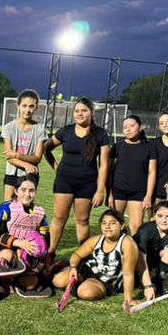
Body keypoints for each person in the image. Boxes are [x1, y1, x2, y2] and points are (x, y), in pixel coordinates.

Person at [43, 97, 110, 255]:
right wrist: (57, 168)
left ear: (91, 113)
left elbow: (104, 165)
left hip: (87, 184)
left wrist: (100, 190)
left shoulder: (100, 134)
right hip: (64, 182)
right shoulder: (66, 131)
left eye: (84, 111)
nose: (80, 114)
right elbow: (46, 148)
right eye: (77, 111)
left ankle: (83, 255)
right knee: (59, 218)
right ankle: (49, 254)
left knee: (82, 220)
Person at [52, 210, 137, 304]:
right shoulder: (96, 240)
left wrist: (128, 299)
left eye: (112, 223)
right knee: (58, 281)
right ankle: (70, 273)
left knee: (86, 293)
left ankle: (80, 285)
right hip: (88, 271)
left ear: (121, 226)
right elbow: (77, 254)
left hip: (107, 282)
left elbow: (128, 274)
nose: (107, 226)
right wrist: (73, 267)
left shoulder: (127, 243)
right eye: (104, 223)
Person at [0, 174, 51, 296]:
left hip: (29, 254)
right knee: (6, 256)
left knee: (30, 285)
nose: (27, 194)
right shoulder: (6, 207)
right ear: (16, 191)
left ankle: (18, 278)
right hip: (9, 248)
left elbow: (44, 239)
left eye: (31, 191)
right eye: (23, 190)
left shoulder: (40, 212)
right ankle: (3, 278)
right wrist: (19, 243)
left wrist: (42, 261)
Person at [107, 114, 156, 237]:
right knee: (115, 226)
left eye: (132, 126)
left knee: (136, 228)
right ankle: (117, 253)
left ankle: (136, 254)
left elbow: (152, 172)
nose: (128, 129)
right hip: (118, 191)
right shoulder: (117, 147)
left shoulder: (150, 148)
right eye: (125, 127)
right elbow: (109, 172)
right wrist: (109, 194)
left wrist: (148, 196)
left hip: (139, 193)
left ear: (140, 128)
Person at [1, 90, 47, 201]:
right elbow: (8, 156)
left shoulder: (40, 129)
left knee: (26, 207)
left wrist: (16, 154)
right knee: (8, 207)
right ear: (18, 106)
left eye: (31, 106)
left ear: (36, 107)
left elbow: (37, 158)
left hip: (31, 174)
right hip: (12, 173)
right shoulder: (9, 127)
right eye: (24, 106)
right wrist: (25, 165)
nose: (27, 110)